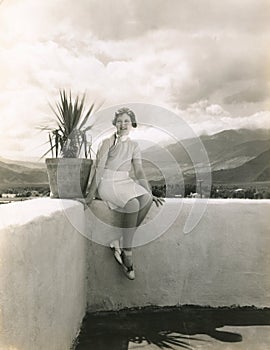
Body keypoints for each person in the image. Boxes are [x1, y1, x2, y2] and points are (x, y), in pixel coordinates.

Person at [85, 107, 164, 280]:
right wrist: (91, 194)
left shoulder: (134, 146)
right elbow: (99, 169)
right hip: (107, 182)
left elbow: (139, 171)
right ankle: (127, 252)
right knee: (133, 204)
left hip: (125, 181)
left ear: (132, 124)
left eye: (126, 121)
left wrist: (149, 192)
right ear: (114, 124)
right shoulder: (107, 142)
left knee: (146, 199)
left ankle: (120, 243)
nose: (123, 124)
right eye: (119, 121)